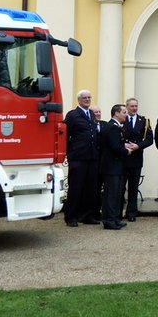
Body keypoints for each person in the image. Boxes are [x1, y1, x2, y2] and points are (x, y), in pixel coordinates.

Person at [63, 89, 100, 227]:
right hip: (78, 157)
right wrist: (68, 153)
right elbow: (66, 135)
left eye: (89, 97)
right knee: (76, 188)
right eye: (84, 98)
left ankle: (87, 215)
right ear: (79, 100)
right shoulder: (73, 115)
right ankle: (71, 216)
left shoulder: (91, 113)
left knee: (90, 188)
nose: (87, 100)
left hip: (91, 157)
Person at [99, 104, 137, 230]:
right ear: (116, 113)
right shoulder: (113, 127)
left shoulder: (113, 126)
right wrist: (127, 151)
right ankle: (109, 220)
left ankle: (114, 218)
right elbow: (115, 147)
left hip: (115, 166)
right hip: (112, 166)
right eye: (124, 112)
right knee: (111, 194)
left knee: (115, 194)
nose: (126, 114)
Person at [120, 98, 153, 222]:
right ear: (127, 107)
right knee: (120, 187)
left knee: (133, 187)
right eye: (132, 106)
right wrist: (125, 145)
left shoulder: (143, 121)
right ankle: (118, 212)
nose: (134, 108)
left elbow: (150, 139)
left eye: (136, 106)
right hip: (123, 158)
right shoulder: (121, 119)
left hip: (136, 158)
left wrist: (138, 146)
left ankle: (131, 212)